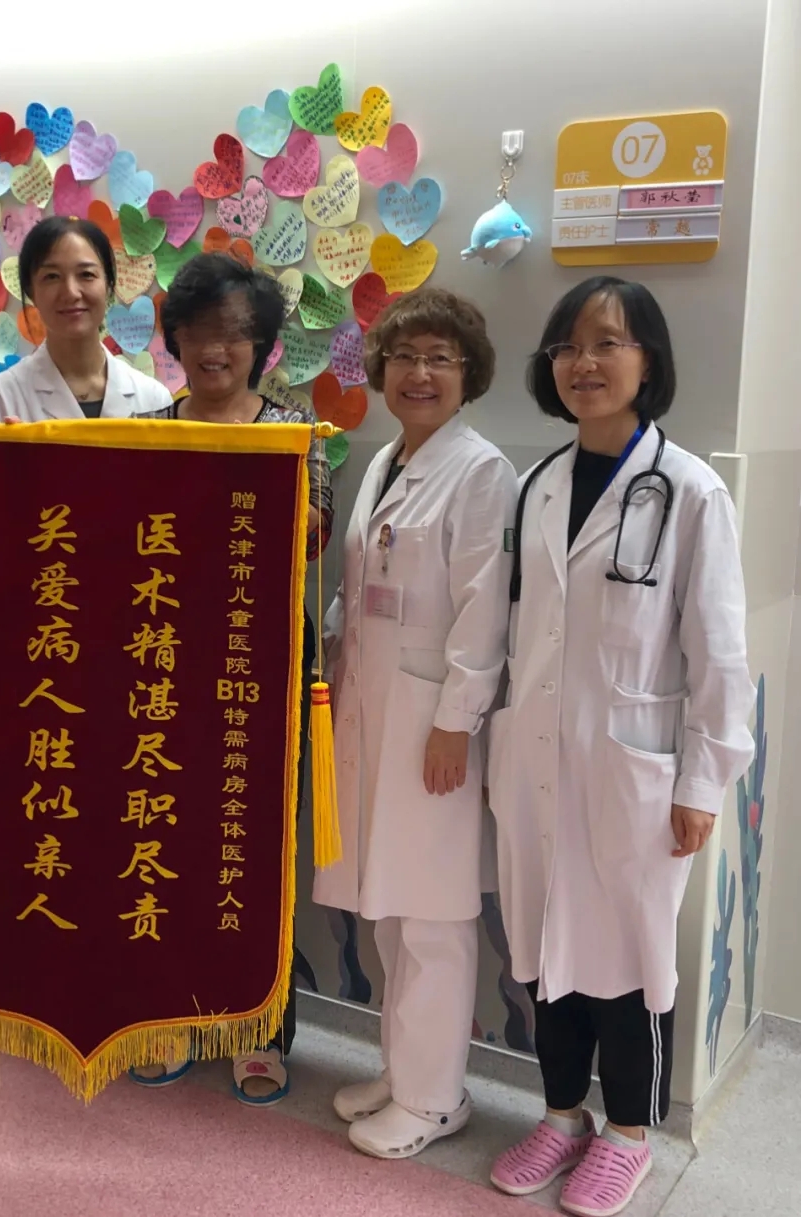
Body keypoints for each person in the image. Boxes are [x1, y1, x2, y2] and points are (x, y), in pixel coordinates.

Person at [488, 276, 755, 1217]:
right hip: (535, 764)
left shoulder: (692, 491)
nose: (584, 363)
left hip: (636, 771)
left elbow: (720, 654)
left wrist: (703, 782)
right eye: (567, 345)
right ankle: (562, 1115)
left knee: (631, 962)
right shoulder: (539, 483)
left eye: (608, 343)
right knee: (545, 951)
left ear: (650, 361)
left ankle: (630, 1134)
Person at [315, 288, 517, 1159]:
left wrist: (454, 723)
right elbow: (358, 585)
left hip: (432, 724)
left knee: (432, 914)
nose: (420, 373)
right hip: (373, 710)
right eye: (404, 356)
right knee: (389, 906)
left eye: (440, 357)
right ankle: (405, 1071)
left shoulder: (481, 472)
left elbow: (484, 611)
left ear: (469, 373)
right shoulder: (387, 461)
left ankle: (435, 1099)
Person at [131, 252, 333, 1105]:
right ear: (175, 338)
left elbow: (315, 536)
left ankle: (259, 1026)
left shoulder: (297, 429)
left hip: (262, 658)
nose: (217, 348)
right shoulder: (144, 427)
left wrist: (263, 493)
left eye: (236, 334)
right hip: (165, 658)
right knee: (165, 836)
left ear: (263, 346)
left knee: (256, 847)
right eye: (200, 331)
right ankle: (167, 1012)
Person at [0, 216, 170, 422]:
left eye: (86, 275)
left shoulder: (153, 399)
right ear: (31, 291)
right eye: (52, 277)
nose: (71, 292)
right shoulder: (0, 397)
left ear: (109, 286)